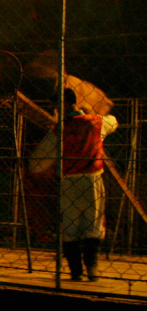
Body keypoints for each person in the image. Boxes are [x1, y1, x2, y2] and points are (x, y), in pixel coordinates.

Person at [29, 88, 118, 281]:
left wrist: (51, 165)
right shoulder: (95, 122)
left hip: (69, 179)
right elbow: (113, 121)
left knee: (70, 227)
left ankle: (76, 271)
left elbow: (36, 163)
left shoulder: (59, 130)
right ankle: (92, 269)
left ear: (61, 105)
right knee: (93, 224)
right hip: (92, 178)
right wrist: (90, 113)